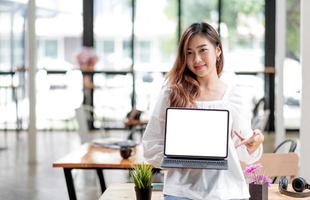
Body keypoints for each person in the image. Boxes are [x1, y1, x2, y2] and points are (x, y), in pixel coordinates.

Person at [142, 22, 264, 200]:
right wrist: (178, 158)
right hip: (181, 192)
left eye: (202, 50)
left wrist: (253, 144)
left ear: (218, 50)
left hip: (227, 192)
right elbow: (150, 144)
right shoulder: (172, 94)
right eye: (189, 53)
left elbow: (244, 151)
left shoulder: (234, 96)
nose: (196, 59)